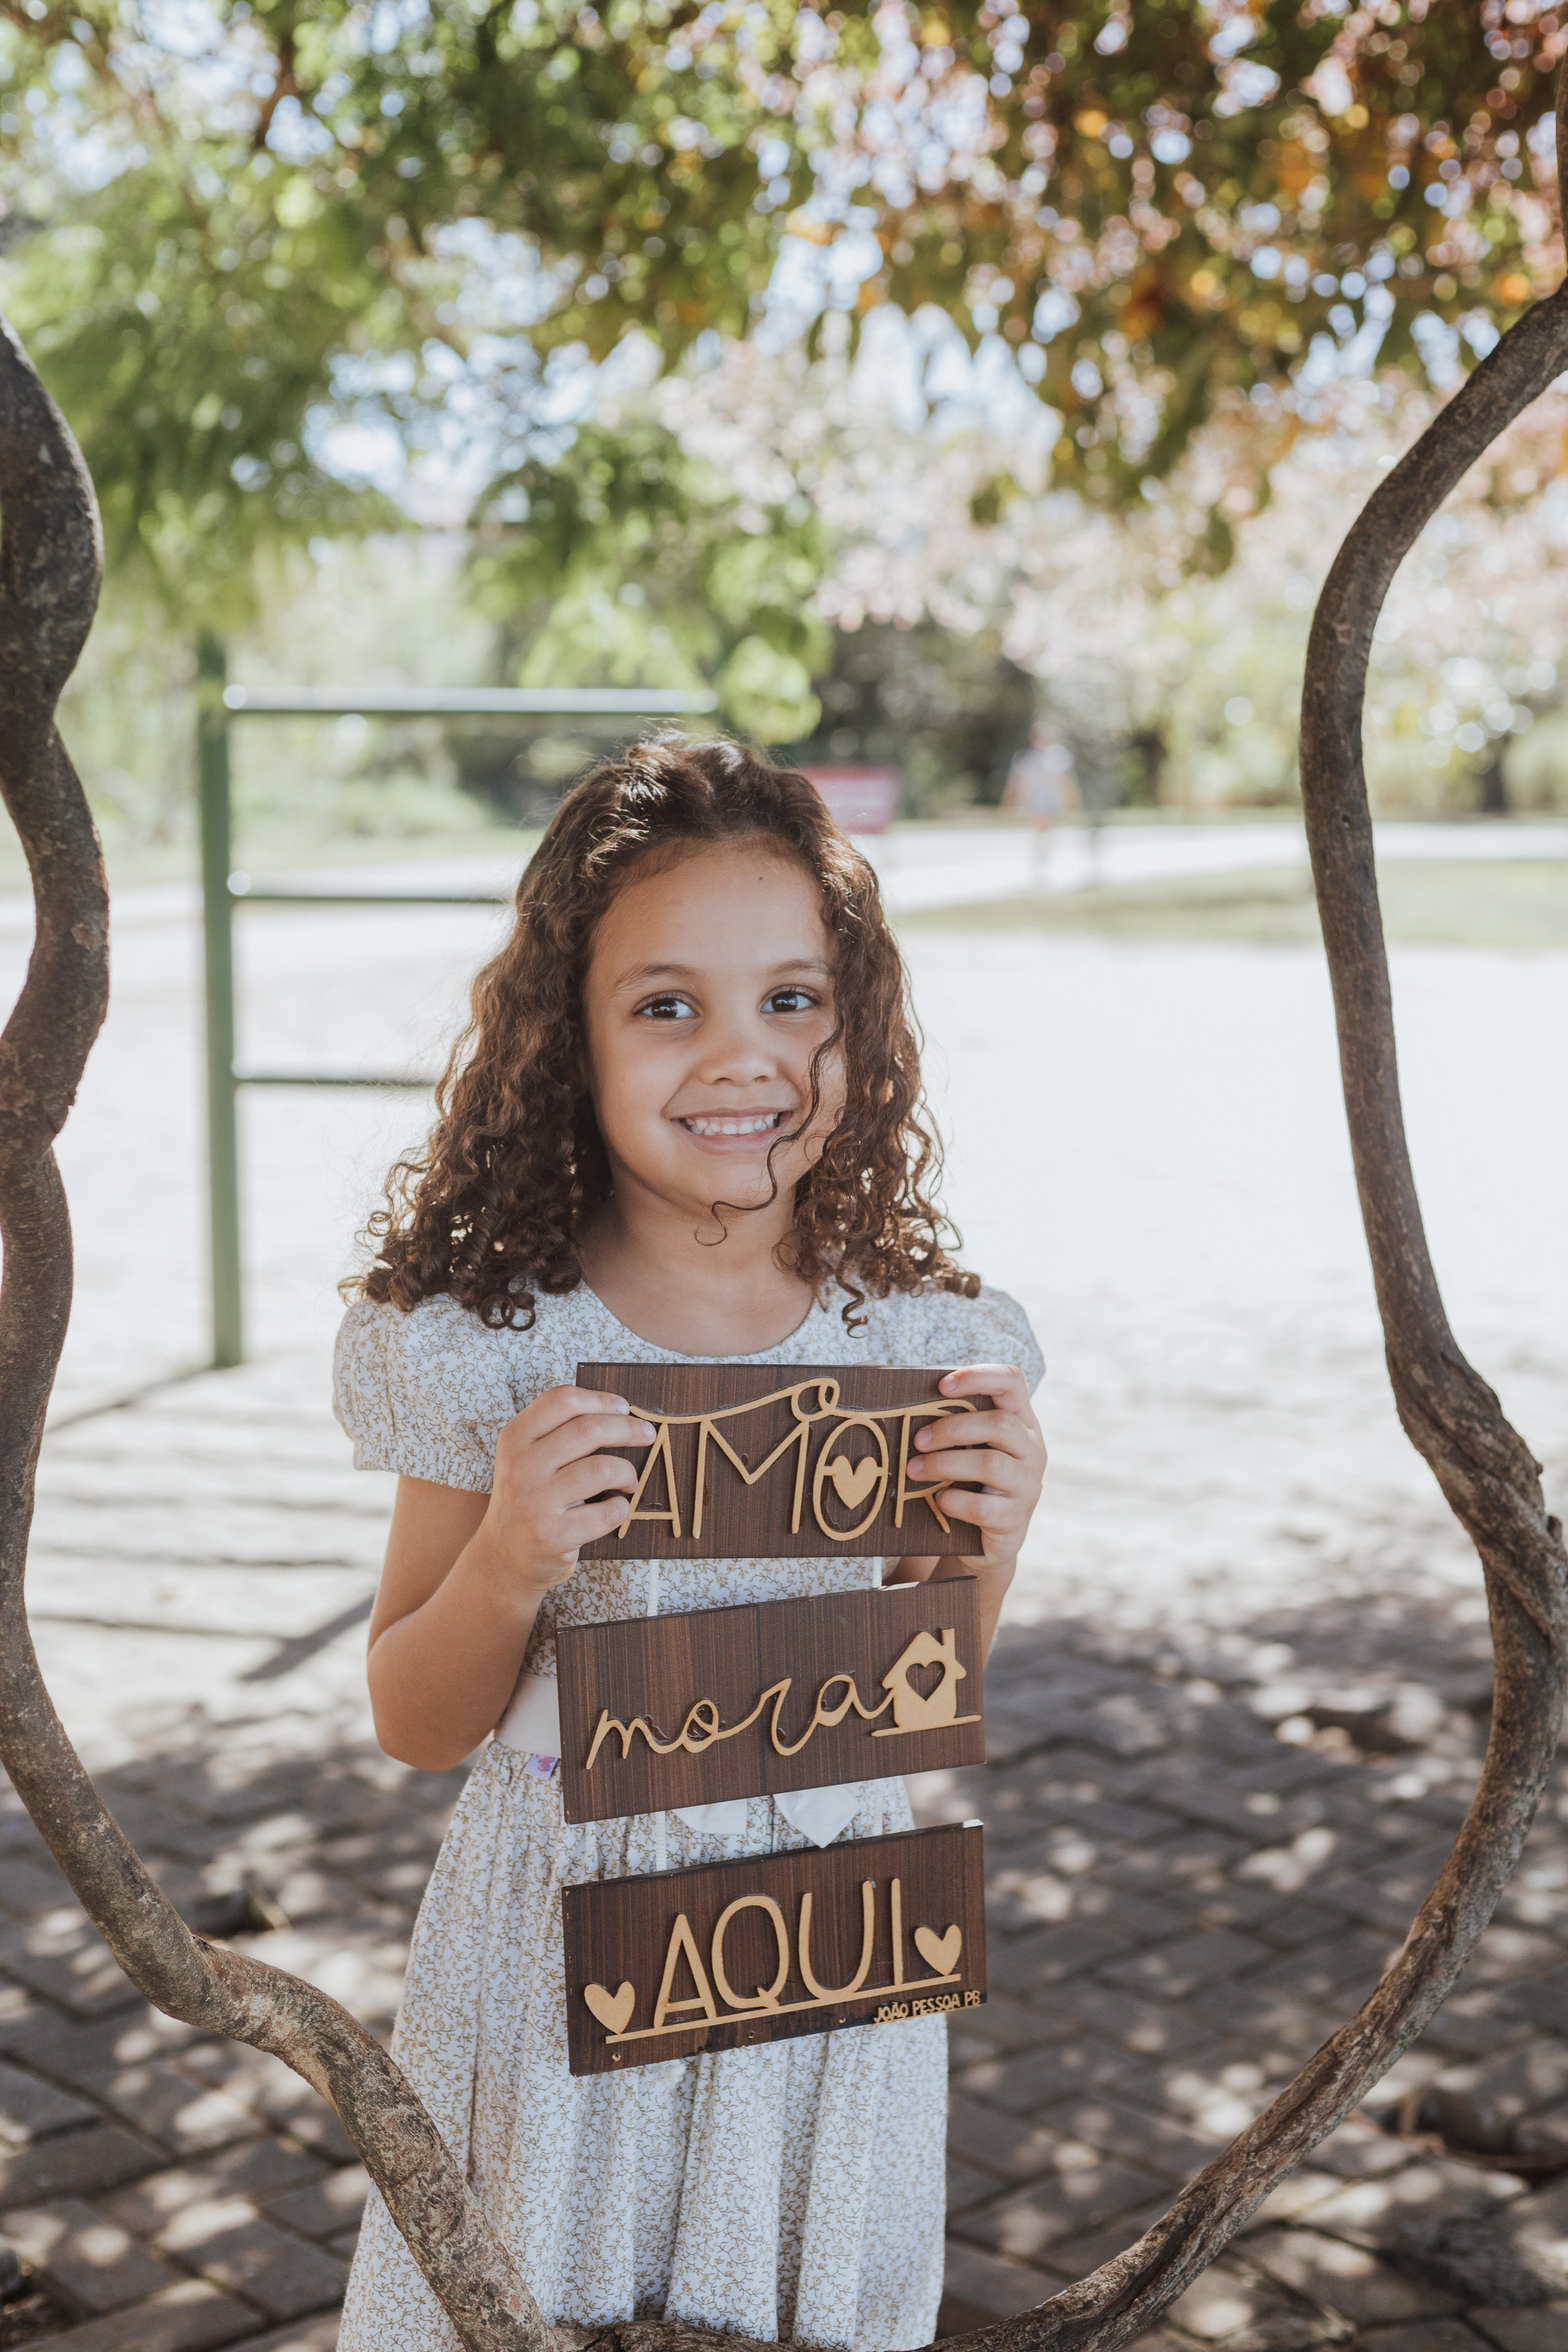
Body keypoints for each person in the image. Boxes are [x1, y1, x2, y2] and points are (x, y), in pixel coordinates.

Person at [331, 737, 1047, 2352]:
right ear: (564, 1044)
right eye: (667, 1006)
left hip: (823, 1950)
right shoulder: (498, 1346)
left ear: (859, 1028)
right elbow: (414, 1722)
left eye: (792, 1000)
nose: (742, 1057)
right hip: (559, 1958)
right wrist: (512, 1556)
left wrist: (986, 1540)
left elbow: (909, 1686)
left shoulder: (917, 1342)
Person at [1003, 720, 1079, 878]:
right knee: (1040, 827)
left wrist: (1072, 800)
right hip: (1034, 800)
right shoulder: (1025, 756)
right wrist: (1008, 801)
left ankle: (1043, 857)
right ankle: (1040, 858)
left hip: (1051, 799)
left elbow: (1066, 780)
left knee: (1045, 828)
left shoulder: (1059, 755)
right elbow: (1015, 781)